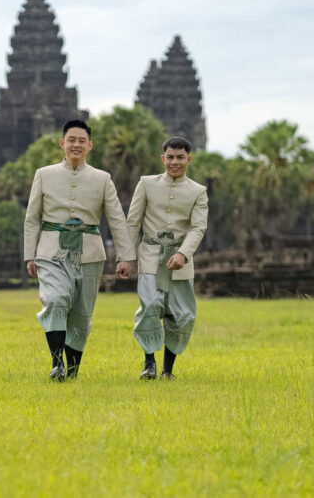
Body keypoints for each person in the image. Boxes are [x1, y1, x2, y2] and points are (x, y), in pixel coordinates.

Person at [23, 119, 130, 381]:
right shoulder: (44, 174)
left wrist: (126, 256)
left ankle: (72, 371)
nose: (76, 145)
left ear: (89, 146)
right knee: (56, 299)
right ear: (62, 143)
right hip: (51, 250)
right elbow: (32, 217)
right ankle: (57, 362)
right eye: (71, 140)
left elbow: (116, 218)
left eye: (82, 141)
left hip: (90, 252)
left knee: (81, 316)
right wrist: (29, 254)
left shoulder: (102, 179)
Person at [122, 137, 208, 380]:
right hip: (150, 257)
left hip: (181, 262)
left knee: (181, 315)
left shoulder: (198, 192)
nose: (175, 162)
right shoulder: (146, 184)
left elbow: (198, 228)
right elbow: (132, 222)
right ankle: (149, 363)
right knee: (150, 306)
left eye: (180, 157)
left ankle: (167, 370)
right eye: (170, 157)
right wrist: (126, 258)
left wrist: (183, 253)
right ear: (163, 158)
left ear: (188, 159)